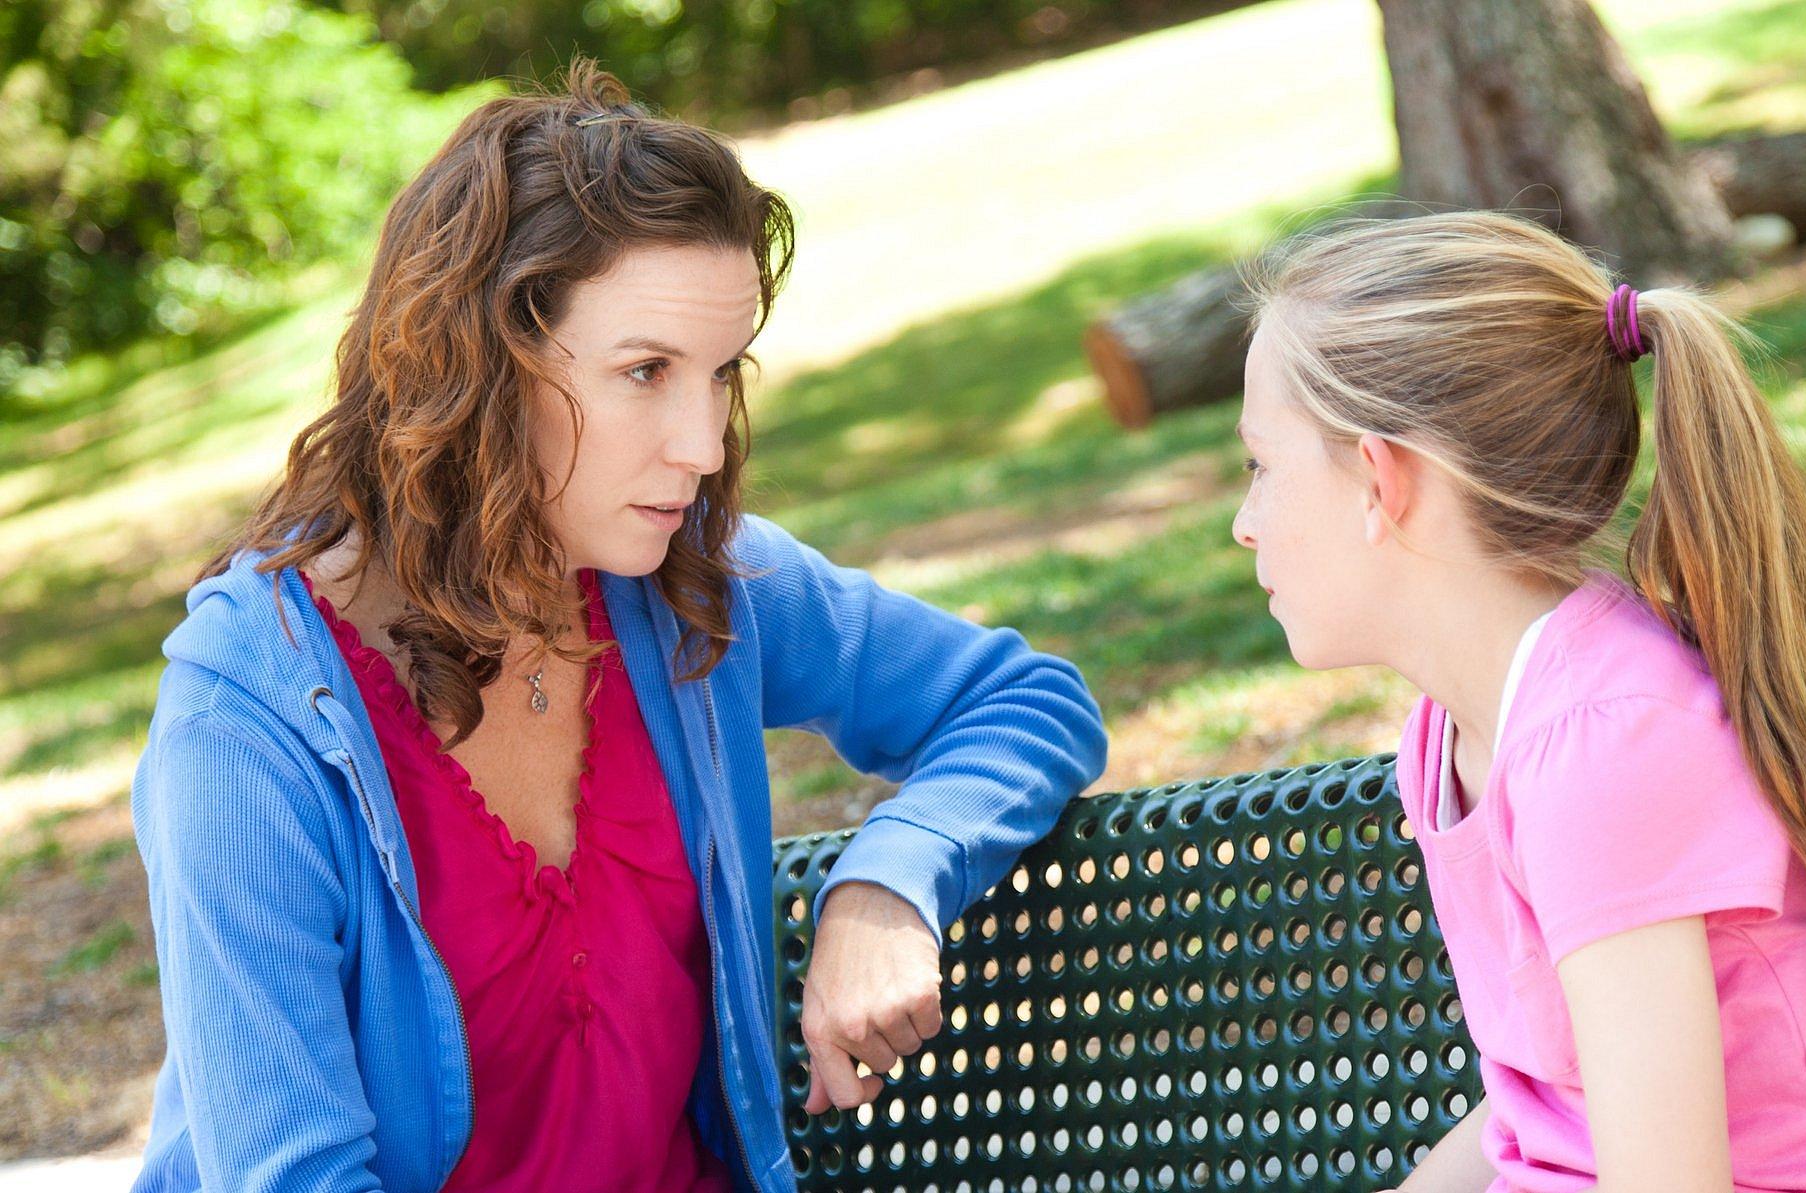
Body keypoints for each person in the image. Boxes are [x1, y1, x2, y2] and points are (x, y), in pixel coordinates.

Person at [128, 60, 1106, 1193]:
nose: (701, 444)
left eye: (721, 372)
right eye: (646, 371)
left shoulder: (688, 583)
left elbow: (1023, 699)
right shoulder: (248, 722)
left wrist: (890, 878)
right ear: (482, 368)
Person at [1230, 210, 1806, 1191]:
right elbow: (1547, 1098)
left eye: (1262, 465)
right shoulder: (1455, 731)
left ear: (1379, 480)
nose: (1244, 523)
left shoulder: (1603, 744)